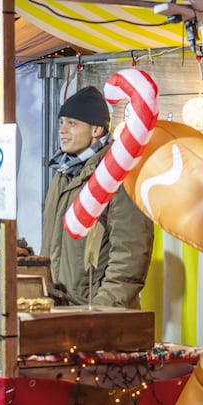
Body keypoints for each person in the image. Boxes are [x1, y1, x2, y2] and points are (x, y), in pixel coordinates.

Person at [41, 85, 153, 308]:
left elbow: (130, 252)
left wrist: (102, 309)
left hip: (95, 311)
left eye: (72, 123)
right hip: (60, 309)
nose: (63, 129)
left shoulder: (118, 175)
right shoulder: (62, 174)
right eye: (62, 122)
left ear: (96, 130)